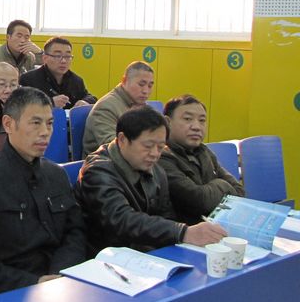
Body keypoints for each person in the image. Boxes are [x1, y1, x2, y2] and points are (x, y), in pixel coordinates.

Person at [0, 87, 86, 298]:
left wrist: (59, 274)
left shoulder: (56, 175)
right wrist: (33, 283)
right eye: (35, 123)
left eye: (49, 123)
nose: (45, 132)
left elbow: (75, 232)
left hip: (60, 286)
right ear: (8, 124)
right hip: (8, 293)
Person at [76, 106, 227, 253]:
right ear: (122, 140)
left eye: (160, 147)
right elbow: (121, 219)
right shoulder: (98, 171)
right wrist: (183, 232)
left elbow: (166, 215)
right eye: (148, 146)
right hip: (106, 256)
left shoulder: (156, 170)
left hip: (145, 252)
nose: (155, 154)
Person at [158, 95, 244, 224]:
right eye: (187, 119)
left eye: (202, 120)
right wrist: (222, 184)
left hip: (215, 226)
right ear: (167, 122)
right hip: (184, 231)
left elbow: (240, 193)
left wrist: (211, 191)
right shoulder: (161, 156)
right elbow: (198, 201)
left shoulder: (204, 151)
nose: (196, 127)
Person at [82, 61, 154, 157]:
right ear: (124, 80)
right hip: (104, 162)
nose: (146, 91)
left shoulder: (142, 106)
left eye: (150, 86)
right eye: (141, 84)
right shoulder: (105, 107)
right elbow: (113, 148)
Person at [19, 36, 96, 109]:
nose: (63, 61)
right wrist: (50, 102)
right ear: (45, 58)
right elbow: (21, 104)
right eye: (58, 56)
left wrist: (85, 101)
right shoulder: (28, 79)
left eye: (67, 56)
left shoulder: (76, 80)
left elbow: (90, 97)